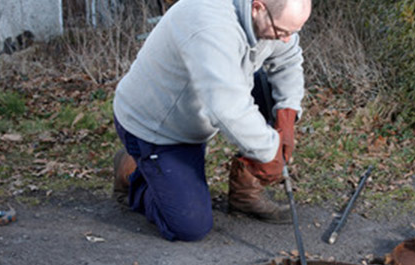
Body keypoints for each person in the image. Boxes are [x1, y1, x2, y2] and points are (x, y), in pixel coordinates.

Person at [112, 0, 312, 241]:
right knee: (190, 225)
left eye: (293, 32)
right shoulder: (209, 23)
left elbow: (288, 60)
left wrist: (287, 116)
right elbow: (226, 108)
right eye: (282, 32)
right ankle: (133, 174)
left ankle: (245, 194)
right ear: (257, 7)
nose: (286, 39)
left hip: (199, 104)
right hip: (156, 126)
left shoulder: (272, 17)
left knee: (269, 90)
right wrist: (269, 153)